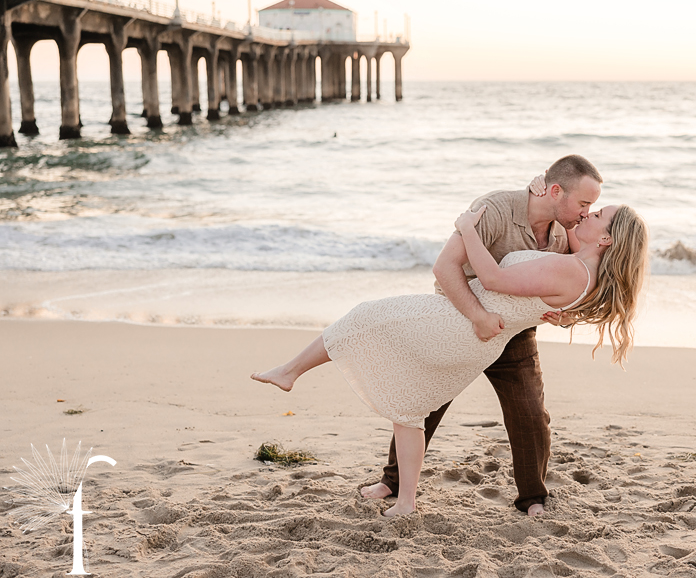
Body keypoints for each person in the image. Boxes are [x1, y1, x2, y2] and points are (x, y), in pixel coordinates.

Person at [251, 199, 650, 517]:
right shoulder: (586, 271)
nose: (588, 214)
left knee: (363, 319)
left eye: (597, 214)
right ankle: (404, 500)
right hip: (472, 334)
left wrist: (466, 229)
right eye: (588, 205)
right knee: (409, 405)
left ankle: (290, 372)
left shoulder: (571, 270)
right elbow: (560, 282)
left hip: (456, 325)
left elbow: (493, 279)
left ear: (607, 240)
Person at [364, 154, 603, 517]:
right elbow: (444, 267)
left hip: (515, 334)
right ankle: (392, 482)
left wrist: (564, 317)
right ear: (555, 191)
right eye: (584, 203)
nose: (588, 212)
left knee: (531, 414)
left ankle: (532, 498)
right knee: (424, 402)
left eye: (593, 207)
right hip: (458, 321)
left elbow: (575, 289)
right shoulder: (494, 209)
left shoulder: (565, 230)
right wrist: (477, 317)